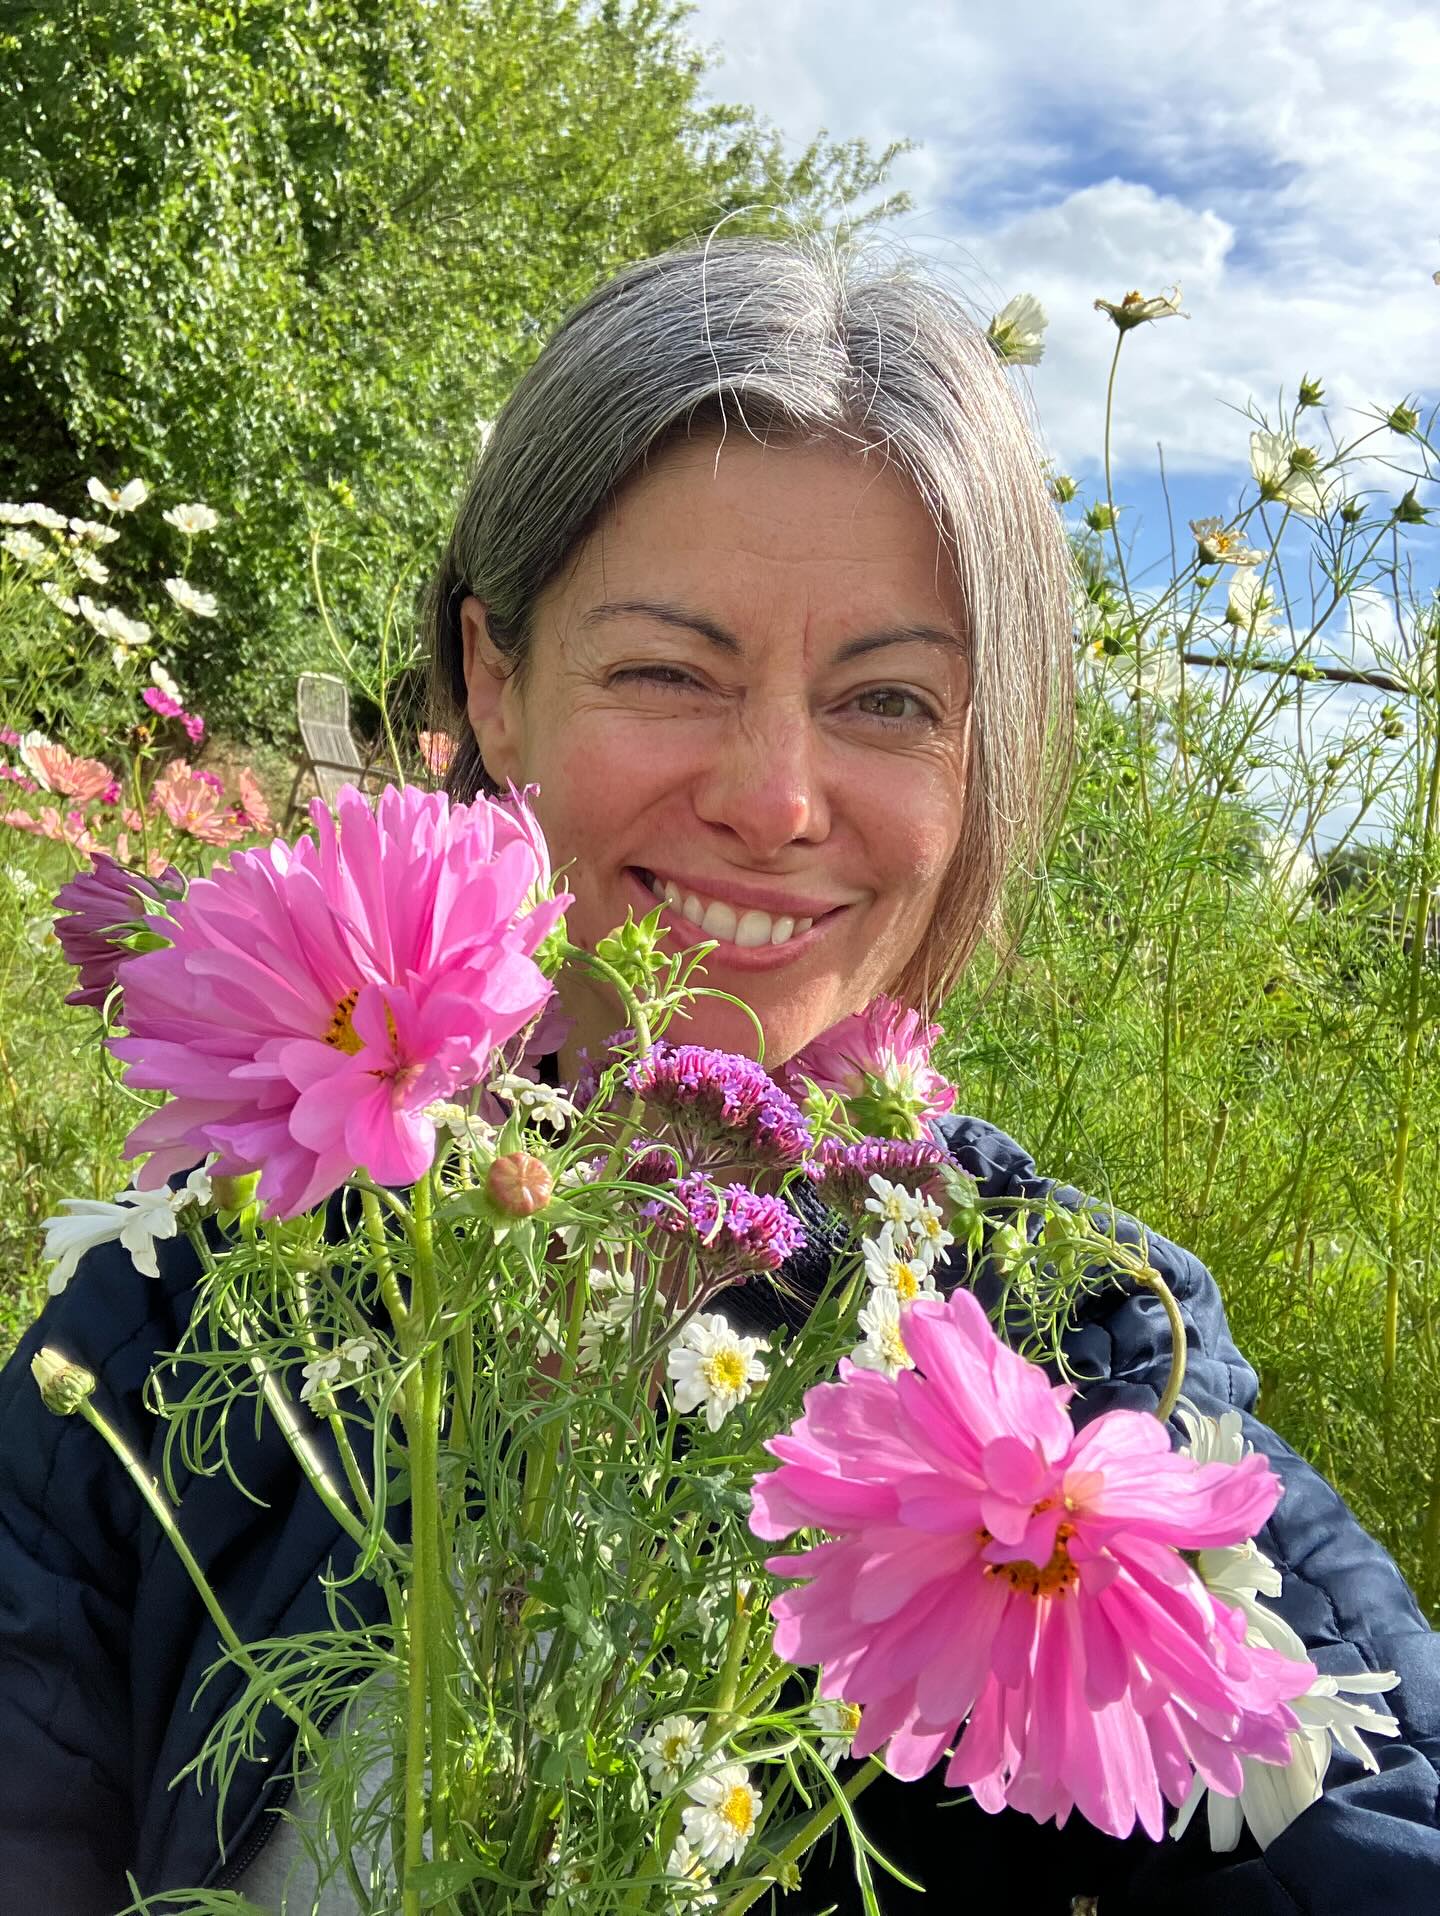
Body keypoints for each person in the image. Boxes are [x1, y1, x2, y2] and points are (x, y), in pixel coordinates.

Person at [1, 235, 1437, 1916]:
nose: (776, 800)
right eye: (668, 673)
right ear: (494, 683)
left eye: (889, 699)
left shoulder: (1079, 1350)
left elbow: (1369, 1811)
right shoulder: (203, 1299)